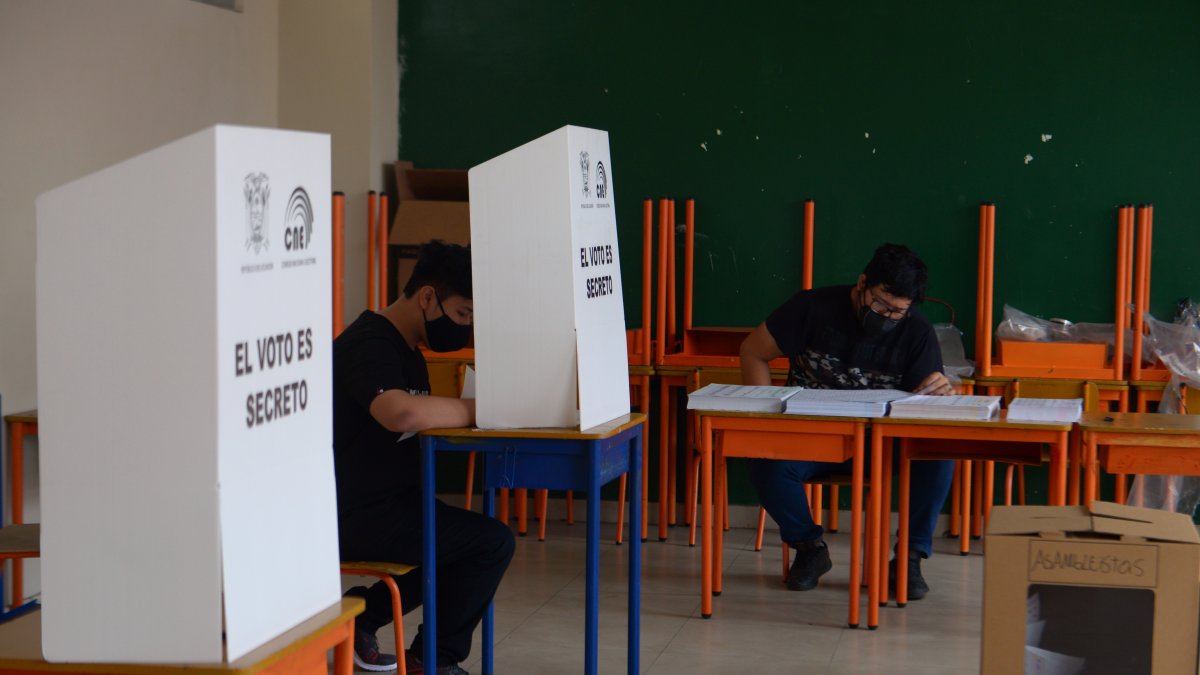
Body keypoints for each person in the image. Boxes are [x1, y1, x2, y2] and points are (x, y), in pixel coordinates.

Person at [334, 240, 514, 674]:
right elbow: (401, 412)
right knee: (489, 543)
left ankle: (367, 617)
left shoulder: (409, 351)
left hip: (392, 505)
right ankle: (431, 660)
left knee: (467, 540)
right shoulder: (368, 343)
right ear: (428, 297)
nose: (464, 327)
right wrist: (480, 410)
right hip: (354, 514)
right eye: (462, 314)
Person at [739, 243, 954, 599]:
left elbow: (924, 402)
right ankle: (809, 547)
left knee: (938, 453)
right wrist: (766, 416)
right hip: (813, 440)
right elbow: (753, 351)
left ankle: (909, 560)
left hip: (879, 446)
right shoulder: (811, 307)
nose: (886, 316)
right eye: (881, 304)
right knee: (760, 452)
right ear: (862, 283)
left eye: (897, 312)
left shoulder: (916, 331)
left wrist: (939, 391)